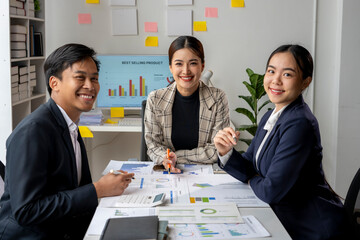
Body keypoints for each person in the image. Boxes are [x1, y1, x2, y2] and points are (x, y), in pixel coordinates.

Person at [0, 43, 134, 239]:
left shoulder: (68, 123)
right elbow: (26, 211)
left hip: (65, 228)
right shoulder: (33, 132)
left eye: (94, 78)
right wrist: (97, 189)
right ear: (54, 83)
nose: (90, 85)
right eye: (80, 77)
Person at [214, 44, 347, 239]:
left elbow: (271, 191)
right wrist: (226, 152)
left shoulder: (299, 123)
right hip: (282, 218)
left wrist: (252, 178)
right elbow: (249, 165)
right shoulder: (271, 115)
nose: (275, 80)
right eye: (271, 71)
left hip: (310, 228)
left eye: (287, 74)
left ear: (305, 82)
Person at [145, 36, 230, 173]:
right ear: (171, 67)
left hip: (205, 173)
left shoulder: (218, 98)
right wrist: (165, 159)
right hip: (167, 172)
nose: (186, 71)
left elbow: (216, 150)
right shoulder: (155, 99)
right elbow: (153, 145)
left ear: (202, 66)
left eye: (193, 63)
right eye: (179, 64)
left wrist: (175, 156)